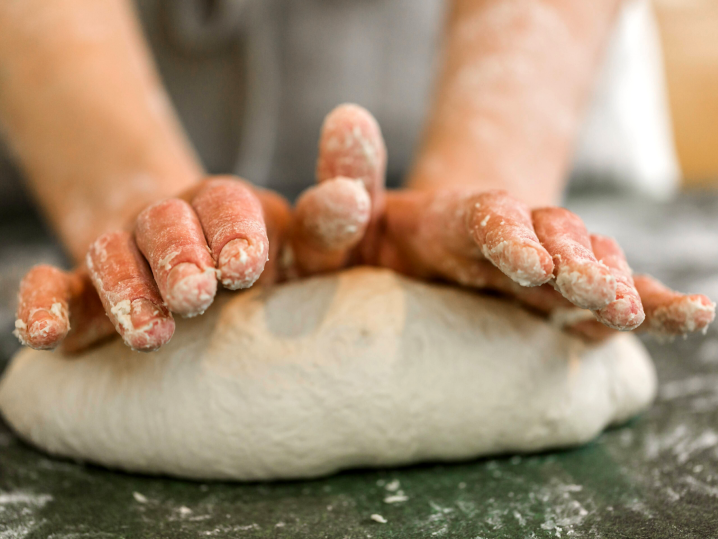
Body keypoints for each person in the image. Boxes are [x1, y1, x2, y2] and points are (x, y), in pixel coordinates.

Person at [2, 0, 713, 353]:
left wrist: (492, 180)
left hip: (523, 74)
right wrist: (127, 190)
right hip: (74, 85)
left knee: (514, 270)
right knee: (161, 266)